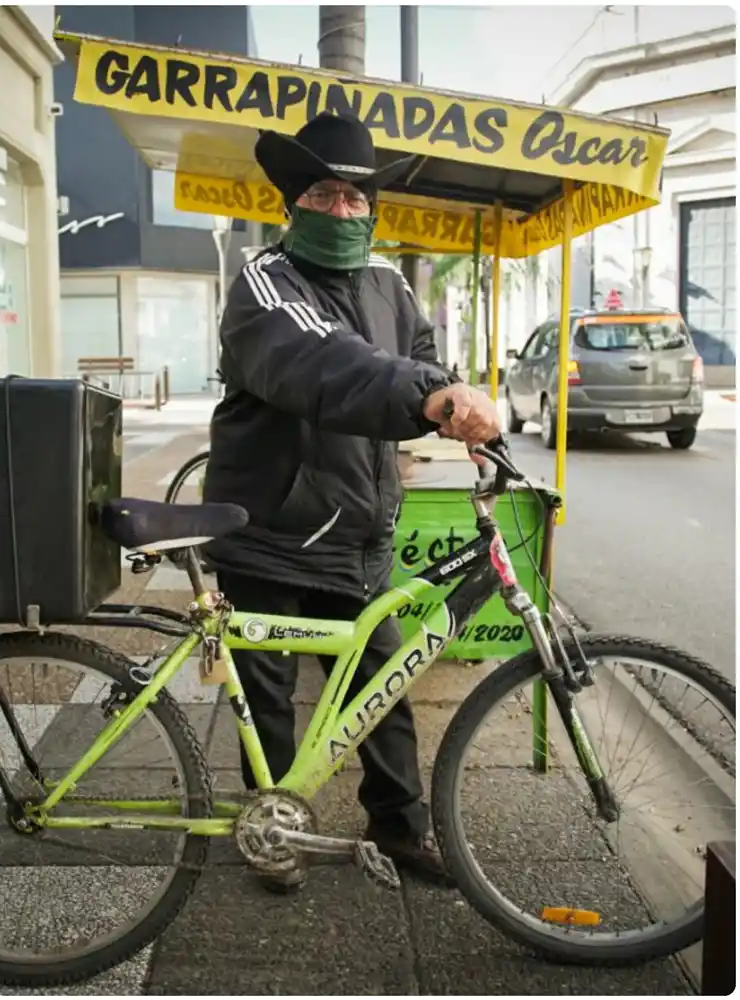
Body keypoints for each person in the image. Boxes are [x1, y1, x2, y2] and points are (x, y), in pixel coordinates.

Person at [201, 112, 501, 894]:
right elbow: (326, 363)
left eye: (357, 199)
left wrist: (455, 400)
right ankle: (276, 834)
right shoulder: (264, 282)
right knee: (266, 704)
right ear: (295, 202)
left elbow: (423, 361)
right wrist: (426, 395)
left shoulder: (390, 284)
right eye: (327, 195)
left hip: (359, 533)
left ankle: (400, 830)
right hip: (264, 529)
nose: (344, 212)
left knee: (384, 687)